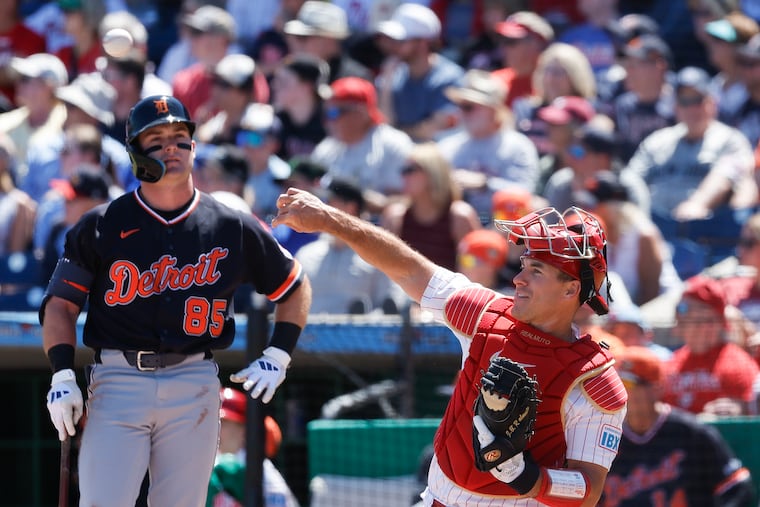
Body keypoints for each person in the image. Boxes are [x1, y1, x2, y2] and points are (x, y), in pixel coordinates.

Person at [40, 94, 312, 506]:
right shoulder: (102, 223)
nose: (171, 147)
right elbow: (61, 304)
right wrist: (62, 374)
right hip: (119, 379)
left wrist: (279, 354)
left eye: (180, 136)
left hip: (194, 381)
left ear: (193, 147)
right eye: (157, 139)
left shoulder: (230, 225)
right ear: (135, 153)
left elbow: (293, 287)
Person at [273, 191, 628, 506]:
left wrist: (527, 477)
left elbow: (589, 489)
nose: (519, 278)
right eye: (524, 265)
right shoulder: (484, 314)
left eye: (537, 270)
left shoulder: (593, 380)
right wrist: (332, 220)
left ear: (570, 290)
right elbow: (409, 269)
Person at [601, 346, 755, 507]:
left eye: (629, 384)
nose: (621, 391)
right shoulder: (608, 435)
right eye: (616, 383)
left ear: (656, 388)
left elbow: (737, 486)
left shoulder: (690, 433)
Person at [626, 65, 757, 221]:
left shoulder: (731, 139)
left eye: (698, 100)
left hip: (703, 232)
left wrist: (698, 203)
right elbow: (631, 177)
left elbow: (725, 175)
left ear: (712, 102)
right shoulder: (658, 141)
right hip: (655, 226)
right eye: (684, 101)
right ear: (675, 107)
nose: (692, 109)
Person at [437, 69, 539, 223]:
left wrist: (485, 184)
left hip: (501, 226)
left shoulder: (518, 146)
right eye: (460, 106)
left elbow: (524, 193)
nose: (462, 113)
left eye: (469, 107)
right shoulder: (447, 146)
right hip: (453, 226)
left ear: (493, 111)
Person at [311, 76, 413, 214]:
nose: (328, 121)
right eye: (326, 113)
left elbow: (411, 201)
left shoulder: (393, 145)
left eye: (334, 113)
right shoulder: (326, 148)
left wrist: (371, 202)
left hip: (375, 228)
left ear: (360, 113)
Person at [297, 178, 399, 314]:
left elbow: (389, 307)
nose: (320, 208)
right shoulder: (305, 254)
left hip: (358, 334)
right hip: (308, 334)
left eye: (328, 202)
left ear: (350, 208)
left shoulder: (377, 256)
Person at [662, 274, 760, 417]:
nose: (677, 314)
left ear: (710, 321)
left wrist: (742, 410)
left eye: (683, 308)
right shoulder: (671, 363)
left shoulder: (739, 365)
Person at [381, 142, 482, 271]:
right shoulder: (395, 217)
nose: (403, 176)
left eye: (410, 170)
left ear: (433, 173)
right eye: (403, 170)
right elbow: (386, 269)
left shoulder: (459, 217)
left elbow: (473, 270)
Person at [375, 2, 465, 142]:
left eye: (401, 41)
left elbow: (431, 131)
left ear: (422, 44)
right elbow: (383, 126)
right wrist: (386, 86)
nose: (392, 46)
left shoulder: (450, 78)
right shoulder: (392, 74)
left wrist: (397, 132)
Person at [206, 387, 300, 507]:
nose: (215, 430)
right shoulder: (215, 462)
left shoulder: (262, 471)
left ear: (244, 430)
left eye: (223, 423)